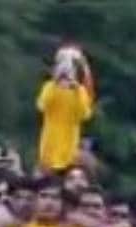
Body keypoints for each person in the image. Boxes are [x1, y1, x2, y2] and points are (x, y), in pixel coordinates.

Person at [34, 46, 93, 174]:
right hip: (50, 145)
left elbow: (85, 115)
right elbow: (41, 105)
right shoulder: (49, 87)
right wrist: (55, 85)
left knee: (67, 171)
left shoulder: (80, 92)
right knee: (47, 173)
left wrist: (76, 90)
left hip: (69, 147)